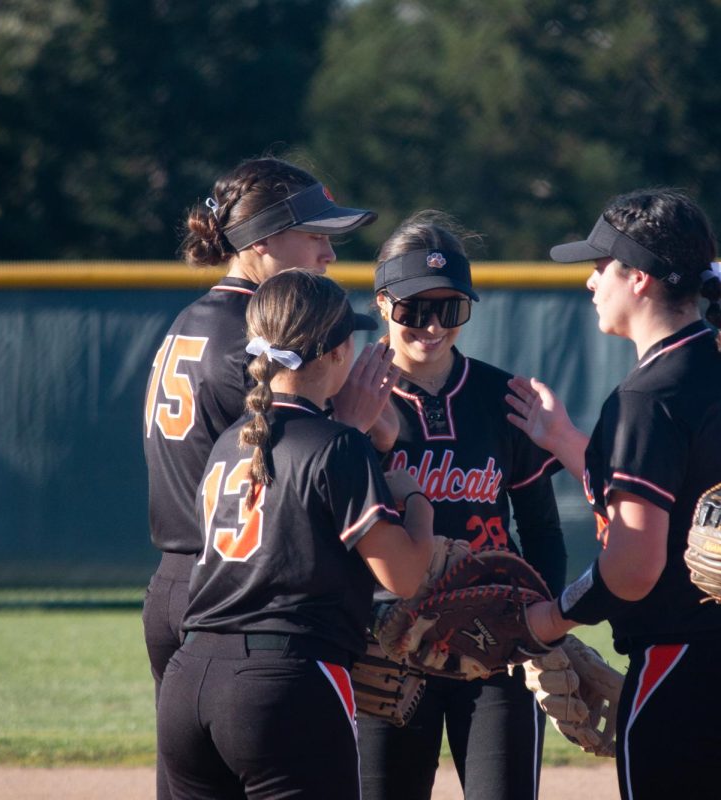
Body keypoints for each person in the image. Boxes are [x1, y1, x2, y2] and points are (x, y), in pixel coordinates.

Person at [510, 189, 721, 799]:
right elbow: (677, 503)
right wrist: (571, 444)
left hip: (695, 657)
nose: (592, 282)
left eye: (602, 267)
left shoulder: (648, 396)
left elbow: (633, 568)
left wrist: (550, 617)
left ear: (641, 278)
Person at [141, 157, 395, 799]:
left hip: (187, 588)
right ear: (259, 243)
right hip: (241, 600)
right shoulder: (255, 344)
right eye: (314, 234)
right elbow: (294, 476)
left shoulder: (196, 321)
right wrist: (354, 428)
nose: (329, 253)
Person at [156, 270, 436, 799]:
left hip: (188, 681)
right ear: (335, 355)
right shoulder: (337, 448)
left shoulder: (229, 441)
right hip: (282, 686)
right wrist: (416, 500)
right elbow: (403, 576)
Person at [357, 211, 567, 800]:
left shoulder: (503, 398)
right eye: (414, 309)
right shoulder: (348, 399)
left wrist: (540, 629)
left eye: (449, 310)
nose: (431, 326)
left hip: (494, 641)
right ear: (381, 303)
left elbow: (543, 531)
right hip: (389, 644)